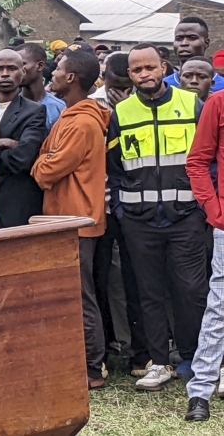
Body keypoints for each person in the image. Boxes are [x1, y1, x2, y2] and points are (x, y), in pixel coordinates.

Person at [107, 43, 210, 391]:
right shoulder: (121, 113)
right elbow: (114, 168)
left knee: (191, 290)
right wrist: (121, 209)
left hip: (186, 216)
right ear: (130, 75)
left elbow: (207, 159)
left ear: (164, 68)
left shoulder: (191, 104)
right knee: (148, 292)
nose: (144, 74)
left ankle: (193, 357)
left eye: (150, 67)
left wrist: (203, 206)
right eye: (137, 70)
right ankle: (159, 362)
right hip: (139, 219)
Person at [30, 45, 109, 389]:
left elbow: (46, 170)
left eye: (58, 69)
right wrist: (46, 155)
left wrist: (42, 158)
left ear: (72, 77)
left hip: (76, 220)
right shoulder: (69, 115)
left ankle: (93, 367)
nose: (52, 73)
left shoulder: (81, 123)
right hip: (65, 218)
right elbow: (48, 156)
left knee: (80, 295)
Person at [88, 51, 150, 377]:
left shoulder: (144, 103)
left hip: (134, 205)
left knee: (135, 280)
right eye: (117, 84)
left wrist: (124, 111)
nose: (121, 90)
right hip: (104, 207)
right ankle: (111, 347)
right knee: (103, 281)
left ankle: (140, 352)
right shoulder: (94, 104)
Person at [184, 70, 224, 421]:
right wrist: (215, 210)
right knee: (219, 305)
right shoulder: (218, 102)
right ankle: (201, 391)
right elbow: (198, 161)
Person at [0, 49, 46, 228]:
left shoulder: (34, 111)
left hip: (17, 201)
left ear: (23, 72)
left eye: (11, 68)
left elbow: (22, 158)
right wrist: (1, 143)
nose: (5, 74)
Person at [16, 42, 66, 131]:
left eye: (22, 64)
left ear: (40, 66)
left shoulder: (60, 109)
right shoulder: (9, 106)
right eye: (14, 66)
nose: (17, 70)